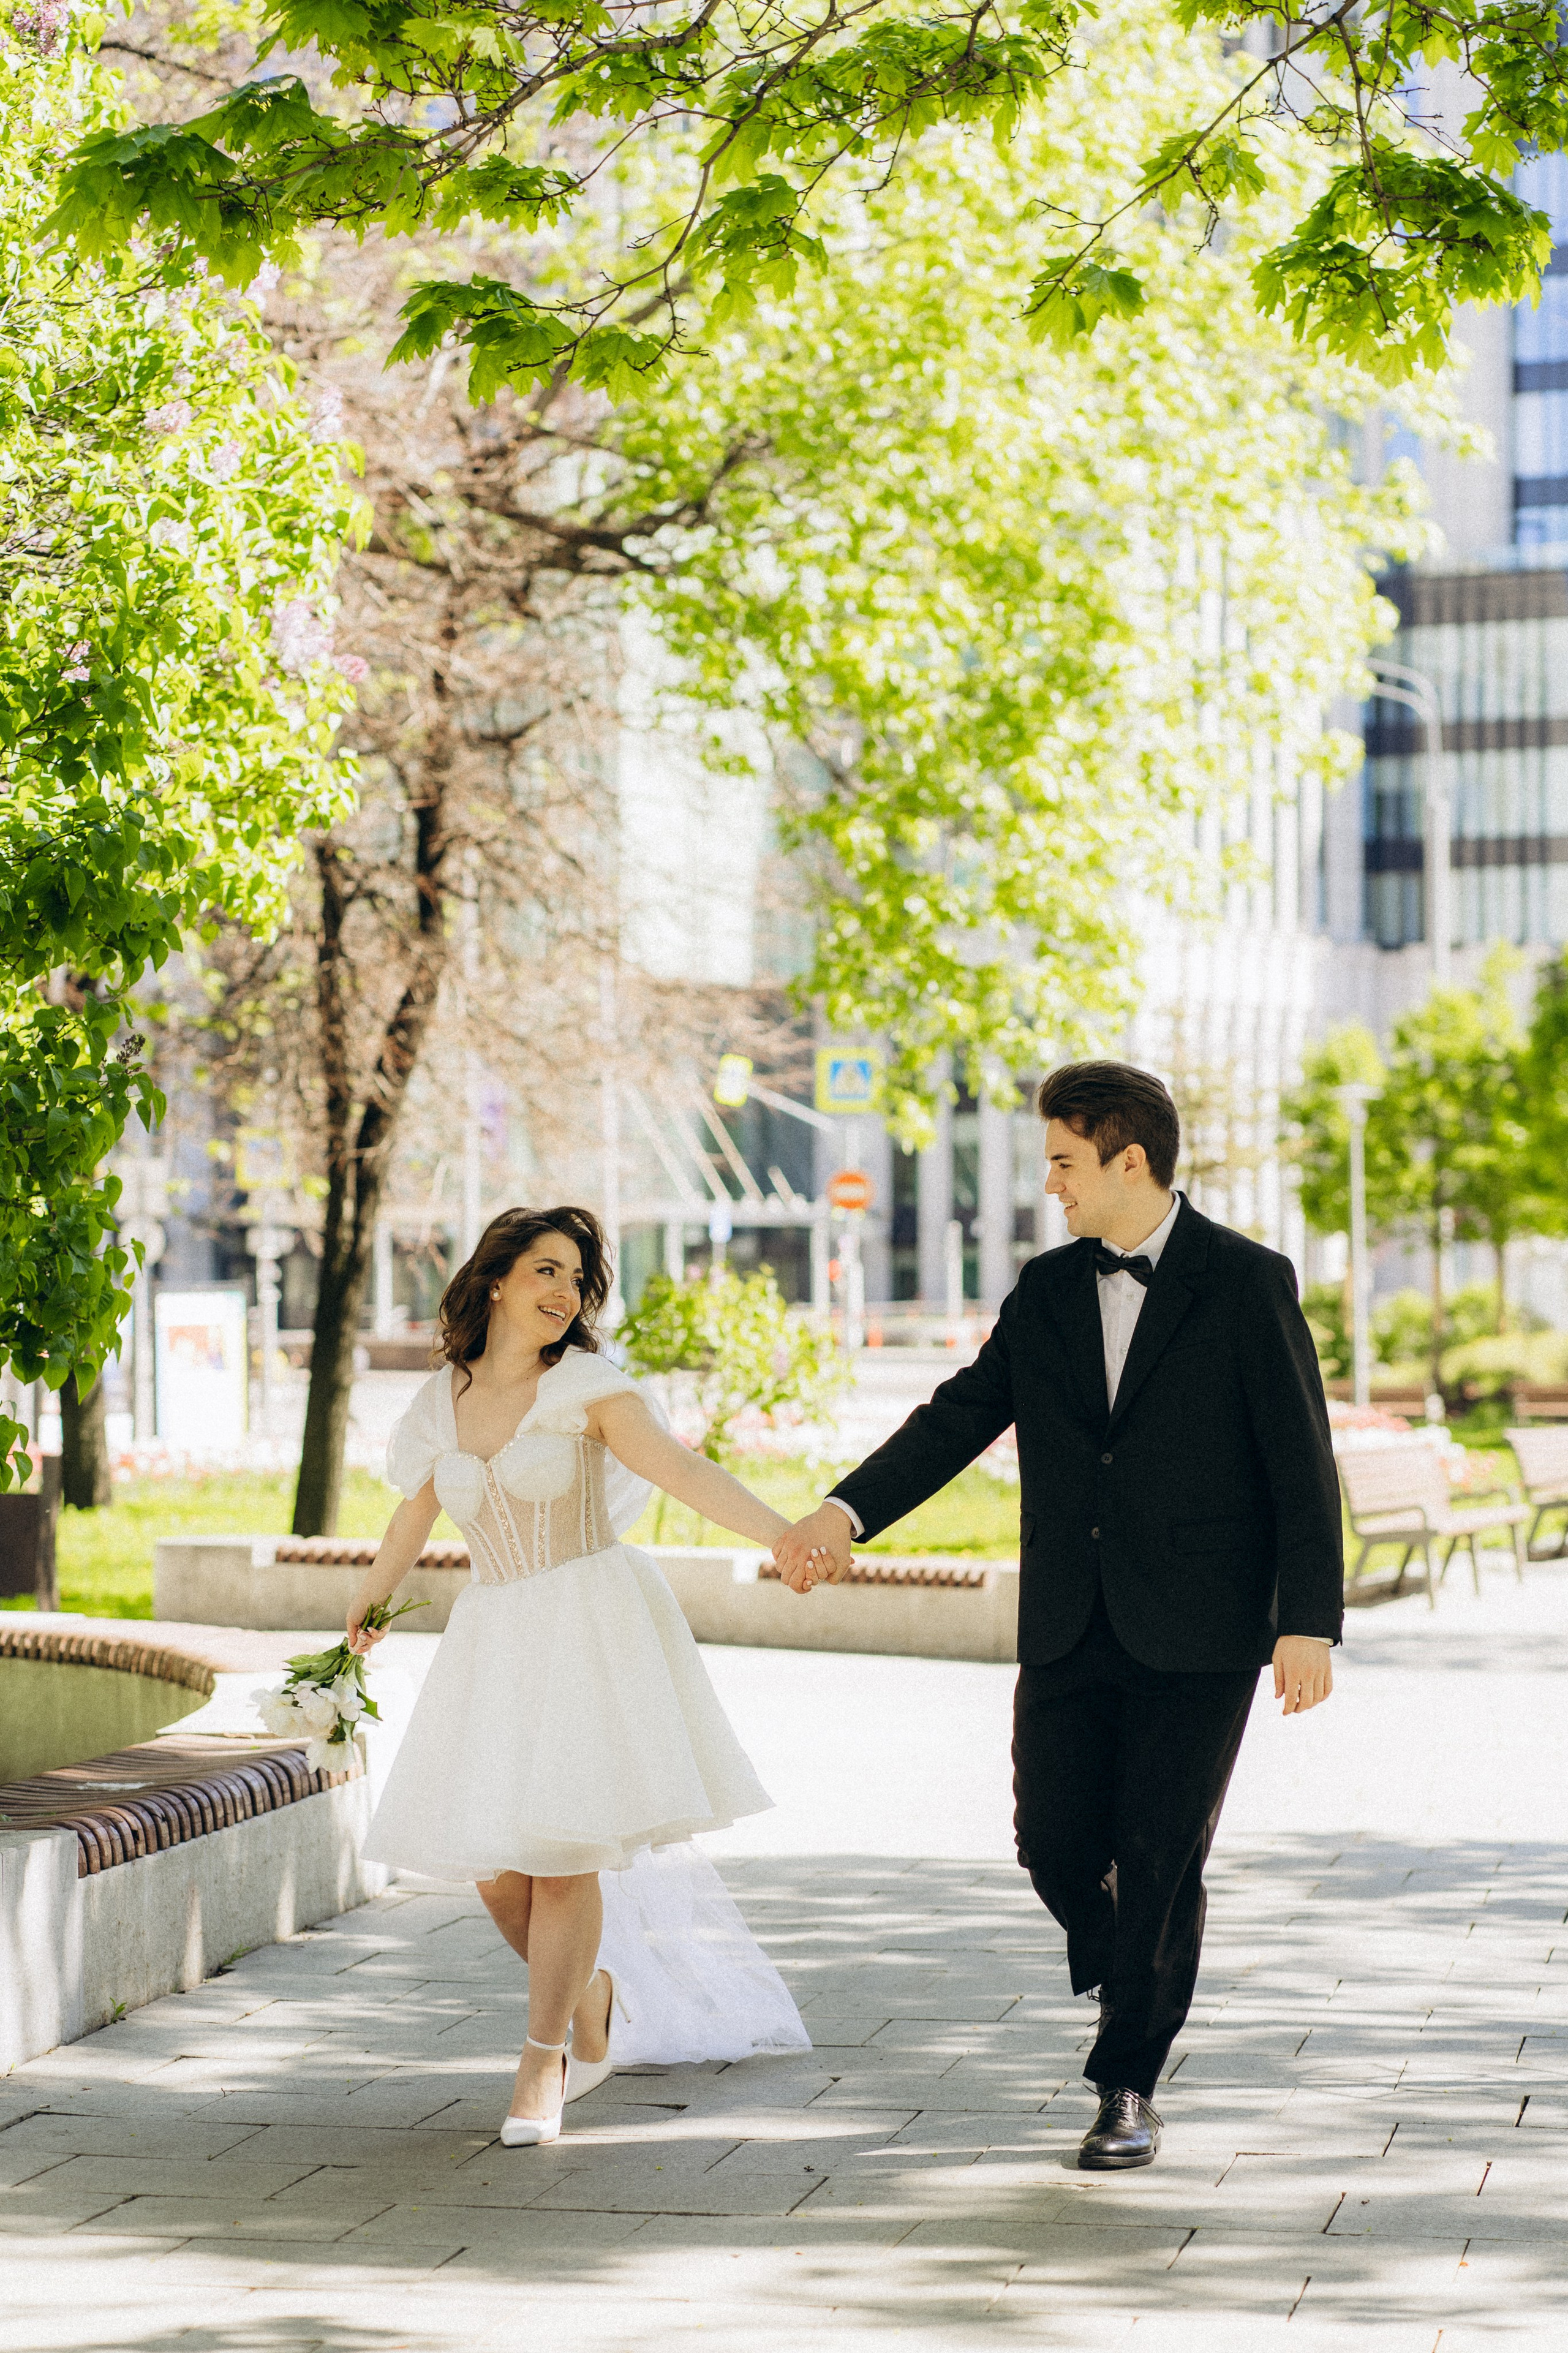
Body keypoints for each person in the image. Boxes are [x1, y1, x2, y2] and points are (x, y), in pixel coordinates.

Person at [774, 1061, 1343, 2172]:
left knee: (1159, 1852)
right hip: (1070, 1622)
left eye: (1065, 1163)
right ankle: (1137, 1934)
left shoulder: (1247, 1281)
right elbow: (957, 1419)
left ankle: (1125, 2082)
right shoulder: (1043, 1289)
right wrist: (843, 1511)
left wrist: (1307, 1620)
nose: (1052, 1186)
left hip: (1204, 1630)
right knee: (1056, 1844)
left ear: (1131, 1161)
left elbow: (1300, 1463)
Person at [348, 1206, 811, 2150]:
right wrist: (365, 1604)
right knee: (494, 1868)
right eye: (545, 1273)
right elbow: (413, 1516)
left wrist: (784, 1535)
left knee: (563, 1856)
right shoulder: (444, 1400)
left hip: (589, 1627)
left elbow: (681, 1470)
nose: (563, 1294)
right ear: (495, 1282)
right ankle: (592, 1996)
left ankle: (542, 2059)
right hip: (494, 1637)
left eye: (576, 1280)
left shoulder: (590, 1386)